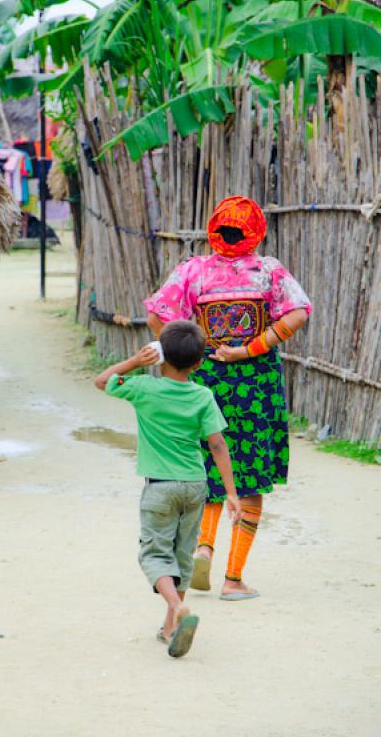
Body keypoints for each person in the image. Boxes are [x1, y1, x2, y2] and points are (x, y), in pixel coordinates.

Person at [145, 195, 312, 601]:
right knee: (250, 478)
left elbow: (157, 314)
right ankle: (234, 579)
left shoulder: (193, 271)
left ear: (213, 230)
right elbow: (299, 312)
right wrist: (251, 348)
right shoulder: (268, 271)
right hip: (256, 387)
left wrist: (193, 352)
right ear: (257, 233)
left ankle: (204, 547)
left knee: (211, 470)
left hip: (208, 386)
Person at [95, 320, 242, 658]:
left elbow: (102, 381)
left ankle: (176, 607)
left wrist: (134, 362)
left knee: (154, 554)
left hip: (160, 488)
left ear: (158, 356)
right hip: (195, 486)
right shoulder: (203, 395)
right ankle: (169, 628)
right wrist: (231, 493)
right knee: (182, 556)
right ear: (199, 363)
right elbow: (218, 445)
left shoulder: (144, 387)